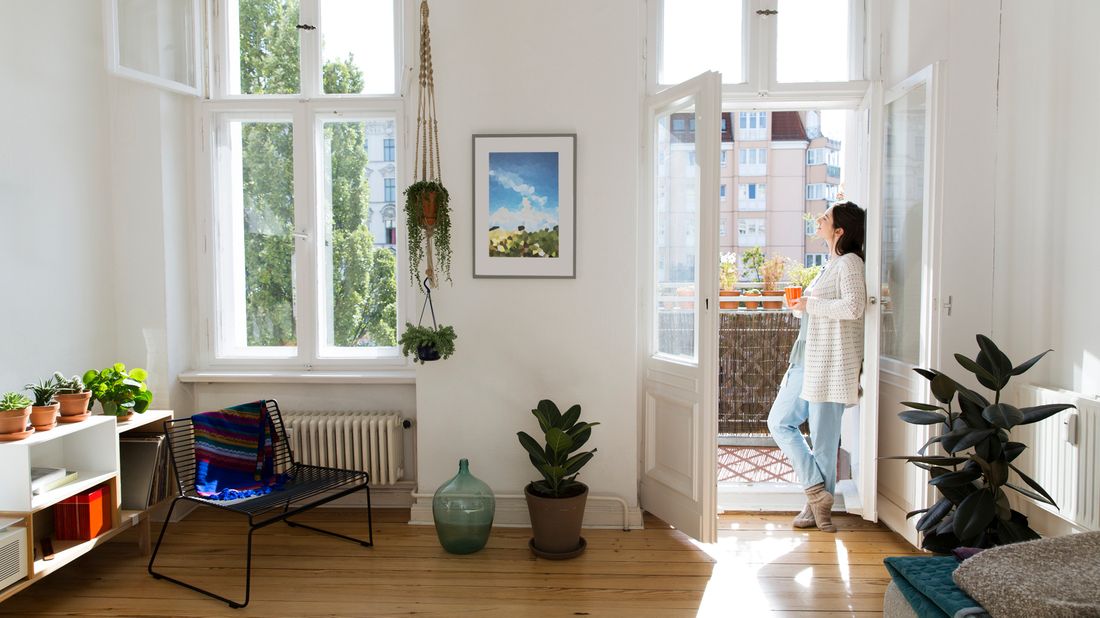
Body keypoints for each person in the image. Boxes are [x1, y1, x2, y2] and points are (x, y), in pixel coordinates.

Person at [766, 201, 867, 533]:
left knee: (825, 439)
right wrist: (800, 307)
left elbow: (854, 307)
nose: (819, 220)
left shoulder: (850, 263)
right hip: (807, 357)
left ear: (839, 231)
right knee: (780, 422)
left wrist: (811, 303)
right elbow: (819, 311)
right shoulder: (831, 264)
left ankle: (815, 510)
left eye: (826, 218)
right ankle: (816, 492)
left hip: (831, 361)